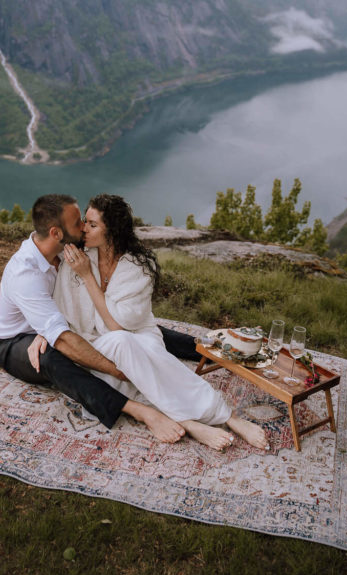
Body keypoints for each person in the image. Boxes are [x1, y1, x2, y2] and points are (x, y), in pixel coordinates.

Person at [43, 193, 268, 451]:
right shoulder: (79, 259)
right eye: (85, 221)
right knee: (127, 348)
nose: (84, 228)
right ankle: (225, 416)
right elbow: (67, 313)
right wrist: (83, 274)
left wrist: (88, 278)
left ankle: (208, 420)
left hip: (139, 334)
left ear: (112, 232)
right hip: (95, 344)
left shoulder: (138, 266)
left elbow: (120, 325)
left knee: (144, 356)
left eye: (93, 224)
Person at [0, 193, 186, 442]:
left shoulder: (66, 251)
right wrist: (119, 371)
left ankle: (200, 346)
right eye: (78, 223)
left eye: (86, 221)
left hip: (52, 326)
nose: (84, 227)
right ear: (56, 233)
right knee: (53, 356)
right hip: (18, 342)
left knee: (134, 329)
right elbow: (62, 339)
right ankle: (137, 410)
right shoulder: (25, 274)